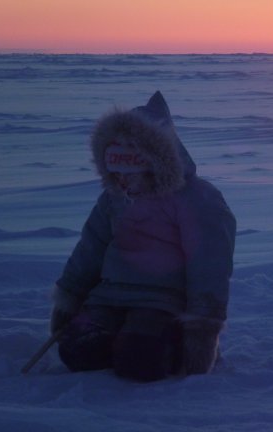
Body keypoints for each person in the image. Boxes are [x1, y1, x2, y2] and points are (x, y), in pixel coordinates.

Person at [50, 91, 236, 382]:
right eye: (116, 172)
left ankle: (160, 343)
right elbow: (91, 247)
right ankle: (116, 337)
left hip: (163, 301)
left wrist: (202, 326)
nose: (122, 180)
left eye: (130, 171)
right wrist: (70, 296)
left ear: (154, 164)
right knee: (77, 350)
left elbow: (208, 267)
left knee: (140, 358)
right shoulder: (114, 198)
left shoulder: (197, 200)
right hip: (109, 295)